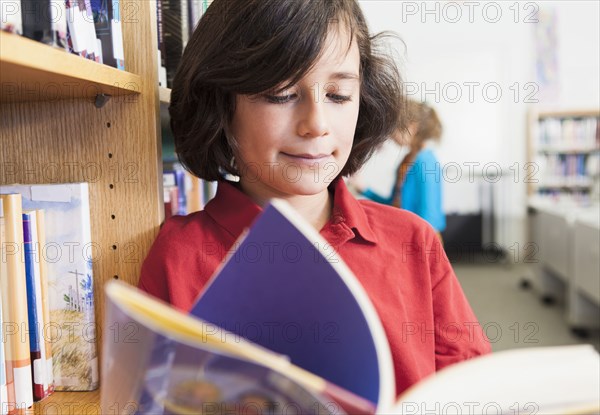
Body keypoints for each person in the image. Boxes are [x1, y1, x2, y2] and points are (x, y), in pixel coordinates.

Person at [138, 0, 490, 398]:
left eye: (338, 95)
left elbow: (471, 387)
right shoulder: (179, 254)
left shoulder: (414, 241)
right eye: (282, 93)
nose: (317, 125)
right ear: (222, 103)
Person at [360, 100, 446, 235]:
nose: (390, 134)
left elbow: (430, 215)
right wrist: (365, 189)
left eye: (394, 127)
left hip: (422, 237)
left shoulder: (426, 161)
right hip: (406, 233)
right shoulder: (407, 160)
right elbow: (394, 204)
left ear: (412, 127)